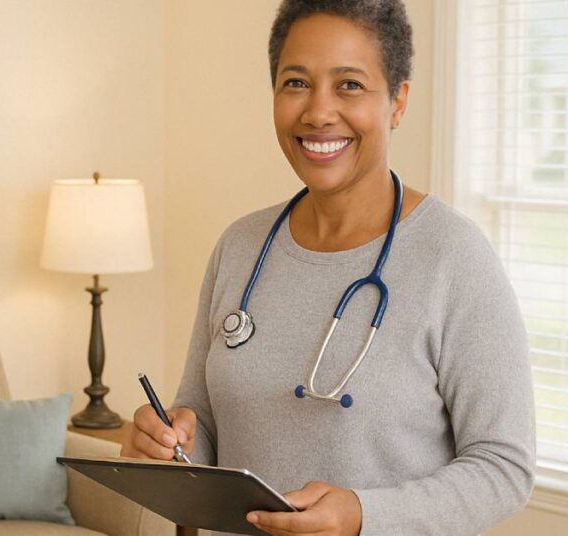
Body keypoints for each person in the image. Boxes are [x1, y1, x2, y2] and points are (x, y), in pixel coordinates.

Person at [121, 1, 535, 534]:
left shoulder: (454, 258)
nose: (317, 112)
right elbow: (202, 426)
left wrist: (366, 515)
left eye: (350, 86)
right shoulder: (240, 246)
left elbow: (505, 468)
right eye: (295, 83)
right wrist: (165, 443)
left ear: (397, 103)